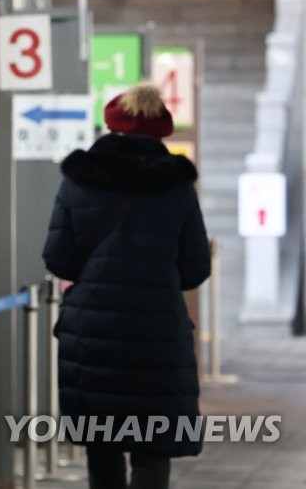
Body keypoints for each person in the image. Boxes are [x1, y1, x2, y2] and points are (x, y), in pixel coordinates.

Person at [42, 83, 212, 489]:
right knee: (153, 452)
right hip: (157, 336)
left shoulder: (78, 181)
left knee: (103, 449)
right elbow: (195, 268)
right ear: (161, 131)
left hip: (93, 335)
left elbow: (58, 259)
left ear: (112, 124)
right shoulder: (177, 187)